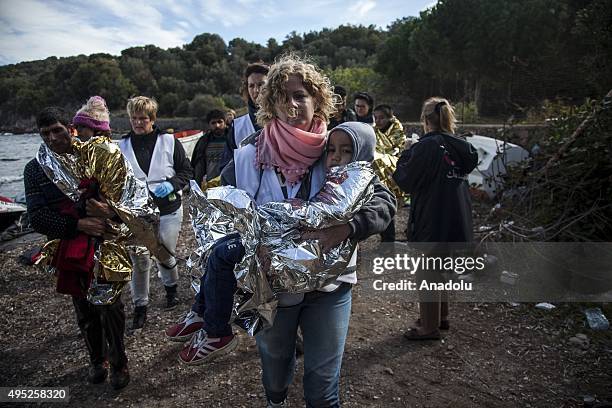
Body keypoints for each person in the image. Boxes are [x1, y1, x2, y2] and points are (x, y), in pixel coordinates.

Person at [194, 55, 392, 407]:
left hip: (331, 289)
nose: (292, 104)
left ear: (318, 100)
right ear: (269, 103)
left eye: (300, 95)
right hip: (273, 294)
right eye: (282, 96)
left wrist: (347, 228)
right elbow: (218, 220)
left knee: (323, 382)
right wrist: (251, 248)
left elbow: (383, 202)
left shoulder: (339, 146)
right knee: (275, 366)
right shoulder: (245, 158)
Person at [166, 120, 384, 361]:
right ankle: (202, 312)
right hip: (274, 240)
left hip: (297, 251)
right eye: (333, 150)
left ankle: (216, 330)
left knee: (221, 255)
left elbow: (333, 209)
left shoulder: (350, 170)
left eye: (346, 151)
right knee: (216, 251)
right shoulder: (257, 149)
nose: (336, 156)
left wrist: (350, 227)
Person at [24, 107, 130, 389]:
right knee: (84, 308)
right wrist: (80, 225)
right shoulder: (35, 169)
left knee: (111, 307)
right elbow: (37, 216)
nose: (52, 138)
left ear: (70, 128)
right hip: (69, 243)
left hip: (106, 240)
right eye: (45, 133)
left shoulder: (96, 155)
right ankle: (98, 360)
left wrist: (108, 213)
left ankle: (120, 363)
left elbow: (126, 196)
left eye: (57, 130)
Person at [393, 97, 478, 340]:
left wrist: (406, 153)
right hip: (456, 214)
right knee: (439, 268)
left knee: (426, 270)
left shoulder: (426, 146)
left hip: (432, 215)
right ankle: (440, 316)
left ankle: (428, 328)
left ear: (425, 120)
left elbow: (405, 180)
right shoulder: (460, 146)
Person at [118, 96, 193, 331]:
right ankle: (140, 306)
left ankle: (171, 287)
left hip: (169, 207)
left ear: (152, 119)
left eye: (143, 118)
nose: (138, 123)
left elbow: (186, 171)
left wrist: (172, 184)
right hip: (137, 212)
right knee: (139, 259)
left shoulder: (169, 141)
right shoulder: (121, 147)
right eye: (134, 118)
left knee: (164, 252)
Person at [220, 62, 270, 171]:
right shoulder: (237, 127)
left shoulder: (286, 120)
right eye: (251, 86)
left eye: (261, 84)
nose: (256, 90)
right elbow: (226, 168)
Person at [373, 104, 406, 242]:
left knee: (389, 206)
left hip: (393, 172)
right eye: (376, 118)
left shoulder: (397, 132)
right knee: (381, 205)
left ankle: (389, 240)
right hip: (378, 173)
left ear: (390, 118)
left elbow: (397, 151)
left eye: (382, 118)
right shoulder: (373, 131)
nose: (378, 121)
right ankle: (385, 238)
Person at [191, 109, 228, 187]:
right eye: (213, 123)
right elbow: (198, 165)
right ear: (209, 125)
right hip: (210, 185)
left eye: (220, 122)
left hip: (229, 183)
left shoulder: (232, 139)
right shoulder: (203, 142)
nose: (217, 125)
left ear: (225, 122)